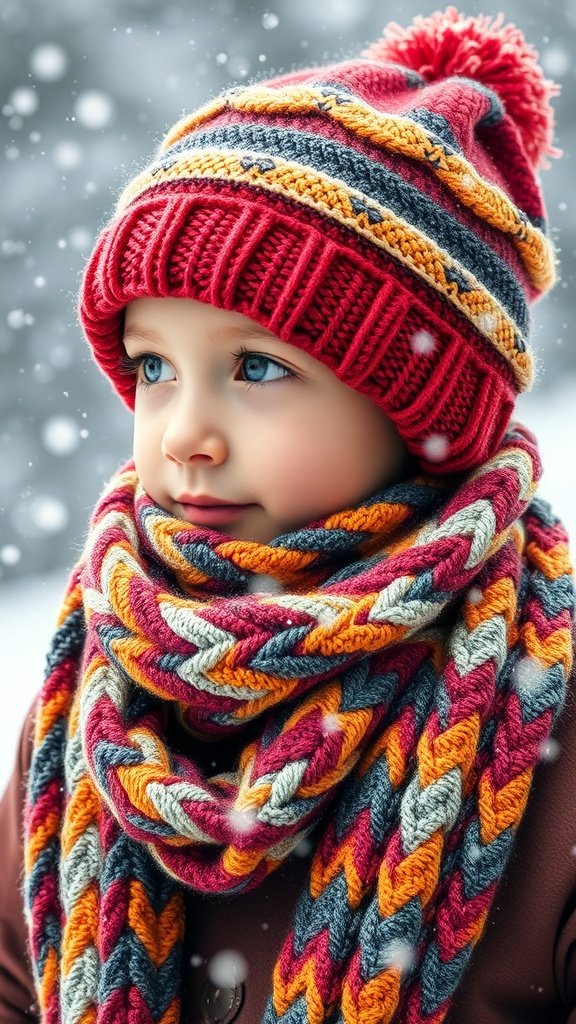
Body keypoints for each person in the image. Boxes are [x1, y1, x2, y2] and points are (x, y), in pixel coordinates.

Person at [1, 7, 575, 1023]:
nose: (183, 432)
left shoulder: (544, 704)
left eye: (256, 368)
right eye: (154, 368)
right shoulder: (97, 684)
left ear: (418, 410)